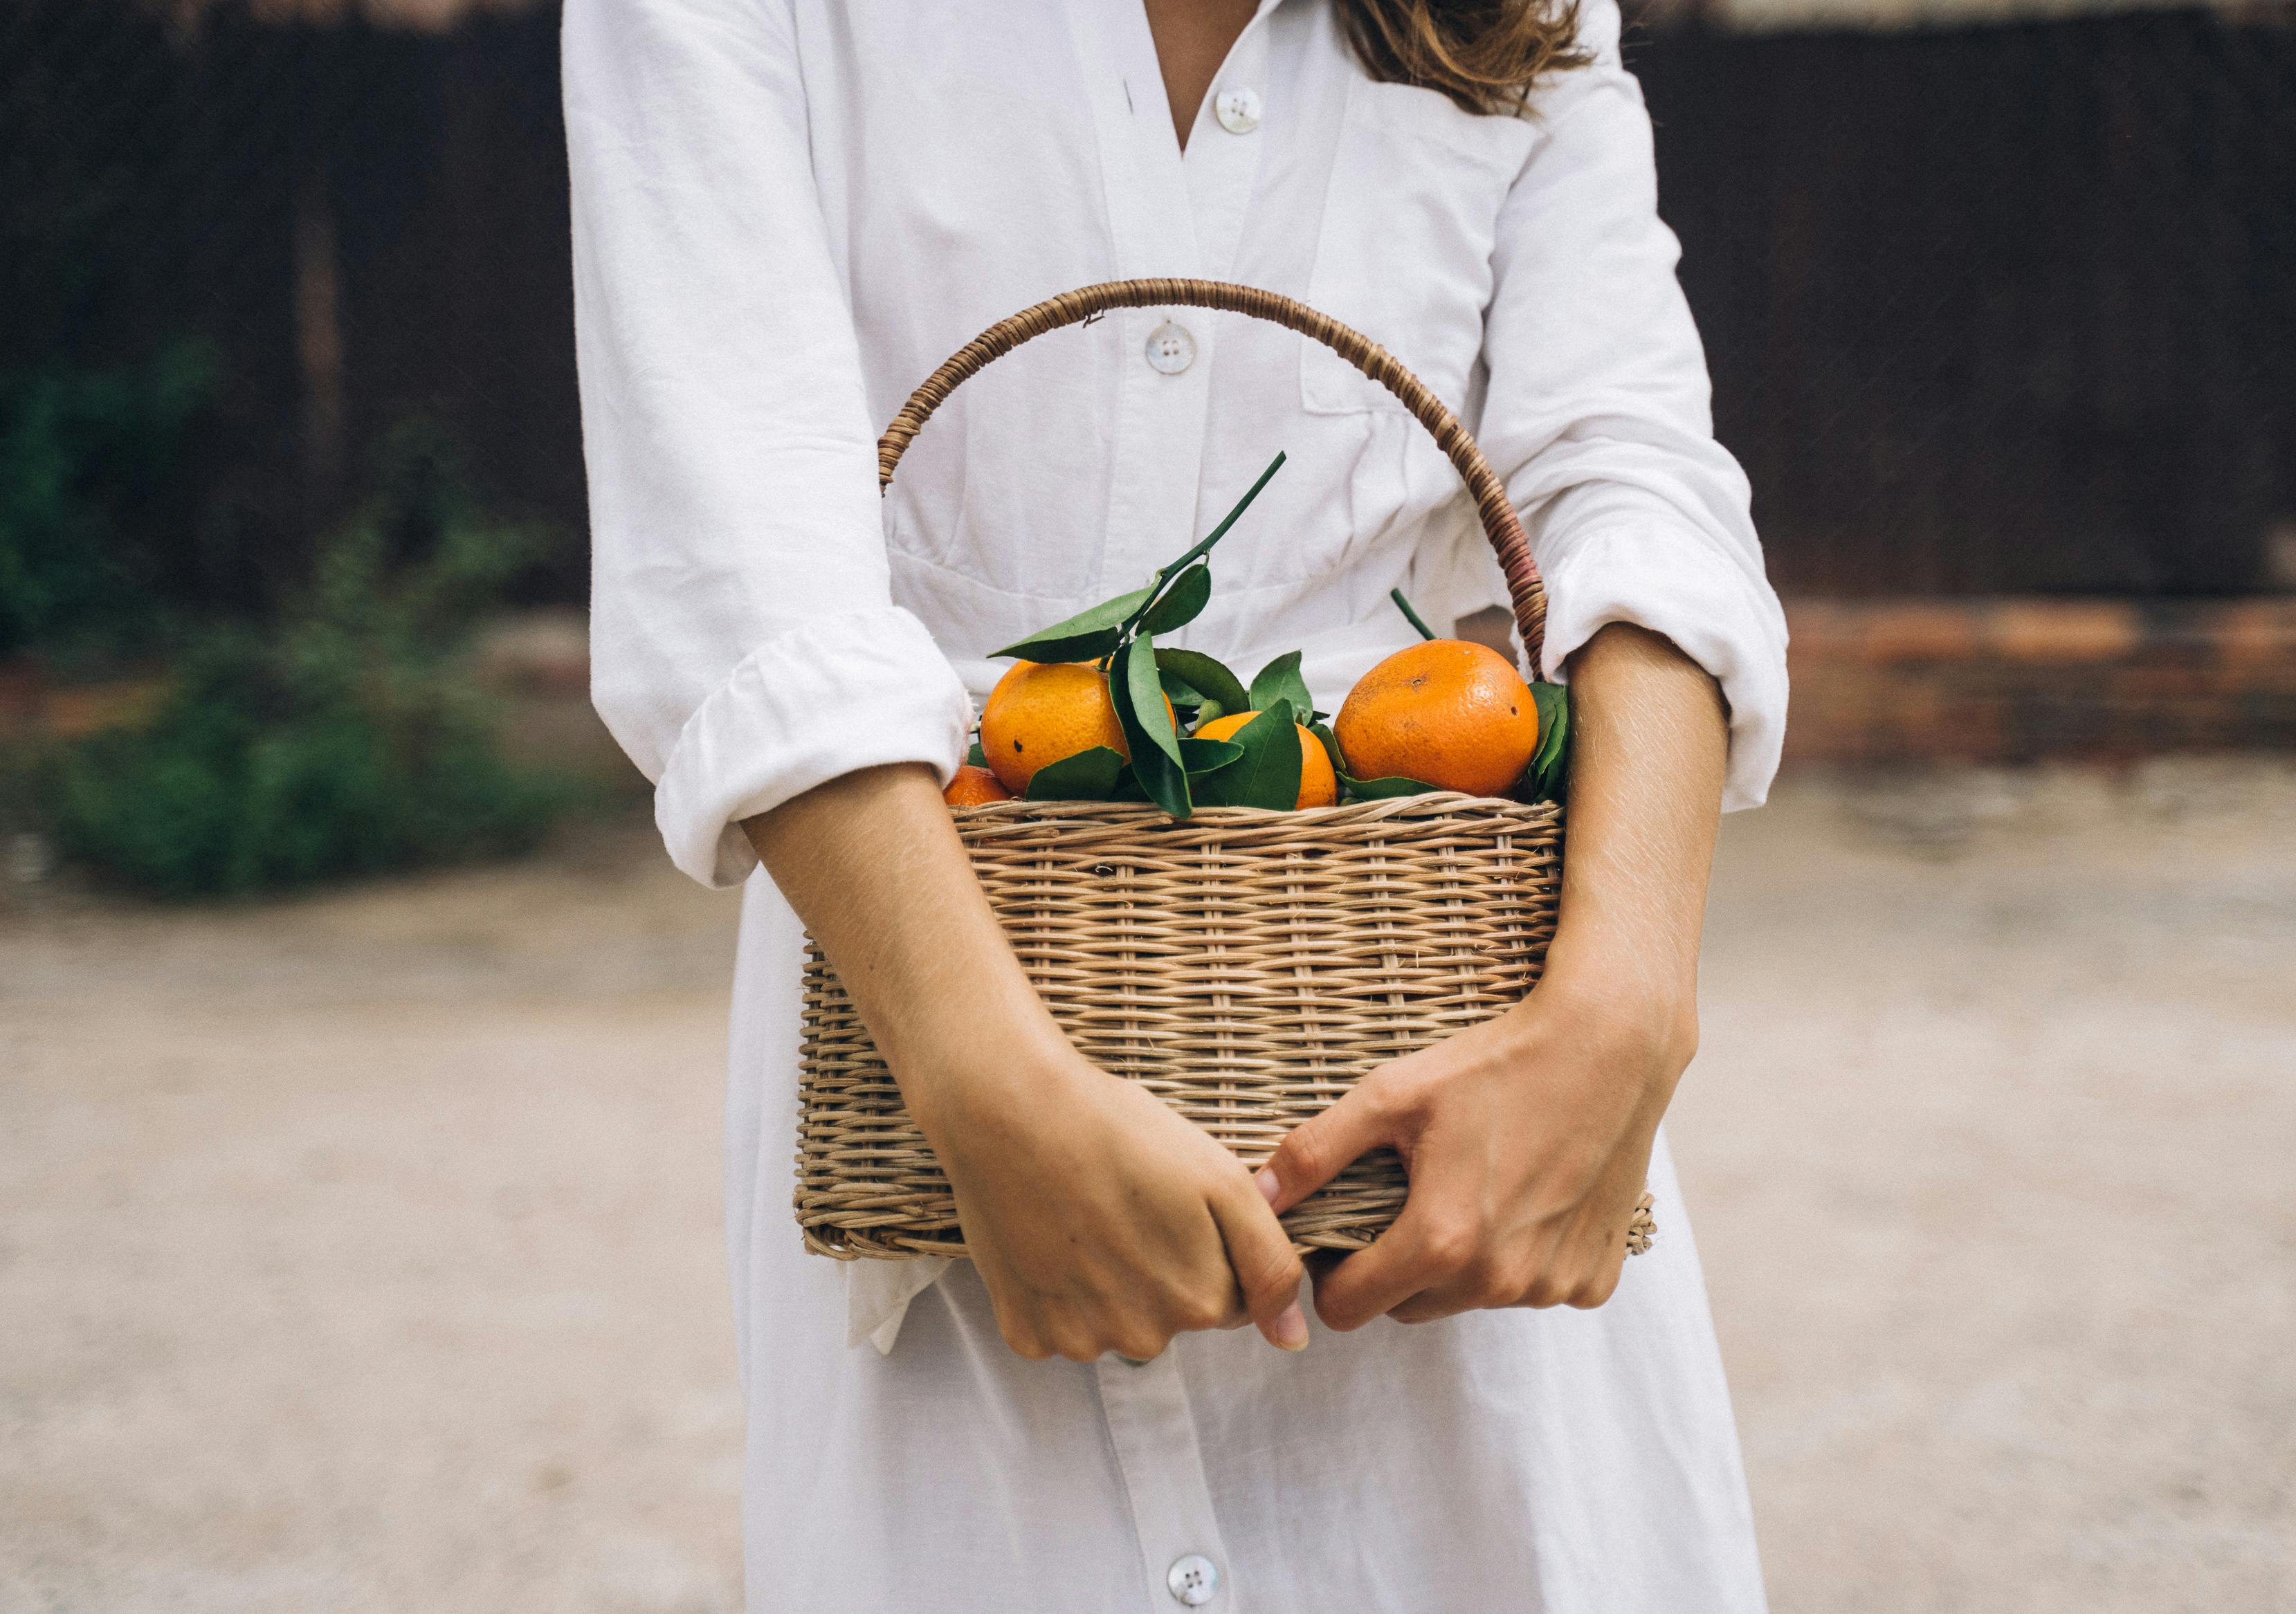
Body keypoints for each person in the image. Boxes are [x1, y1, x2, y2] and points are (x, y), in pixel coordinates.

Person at [565, 0, 1787, 1606]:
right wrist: (984, 1081)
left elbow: (1629, 469)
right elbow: (741, 541)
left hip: (1456, 1082)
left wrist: (1629, 1002)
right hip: (940, 1042)